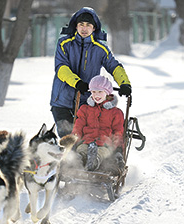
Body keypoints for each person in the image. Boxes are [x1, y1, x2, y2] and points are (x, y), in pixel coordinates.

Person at [50, 7, 132, 138]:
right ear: (76, 26)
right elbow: (61, 68)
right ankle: (68, 158)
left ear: (94, 28)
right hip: (61, 100)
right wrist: (77, 83)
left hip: (87, 101)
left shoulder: (100, 49)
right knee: (66, 136)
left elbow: (114, 66)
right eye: (81, 25)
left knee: (84, 137)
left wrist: (124, 83)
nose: (84, 28)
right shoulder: (64, 44)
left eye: (88, 25)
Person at [71, 75, 125, 172]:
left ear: (107, 92)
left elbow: (118, 132)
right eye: (93, 92)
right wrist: (73, 141)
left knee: (101, 153)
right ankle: (77, 162)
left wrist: (117, 149)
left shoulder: (116, 113)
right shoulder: (85, 109)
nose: (96, 95)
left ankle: (94, 162)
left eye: (100, 91)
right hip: (86, 141)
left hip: (105, 144)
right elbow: (78, 127)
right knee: (81, 151)